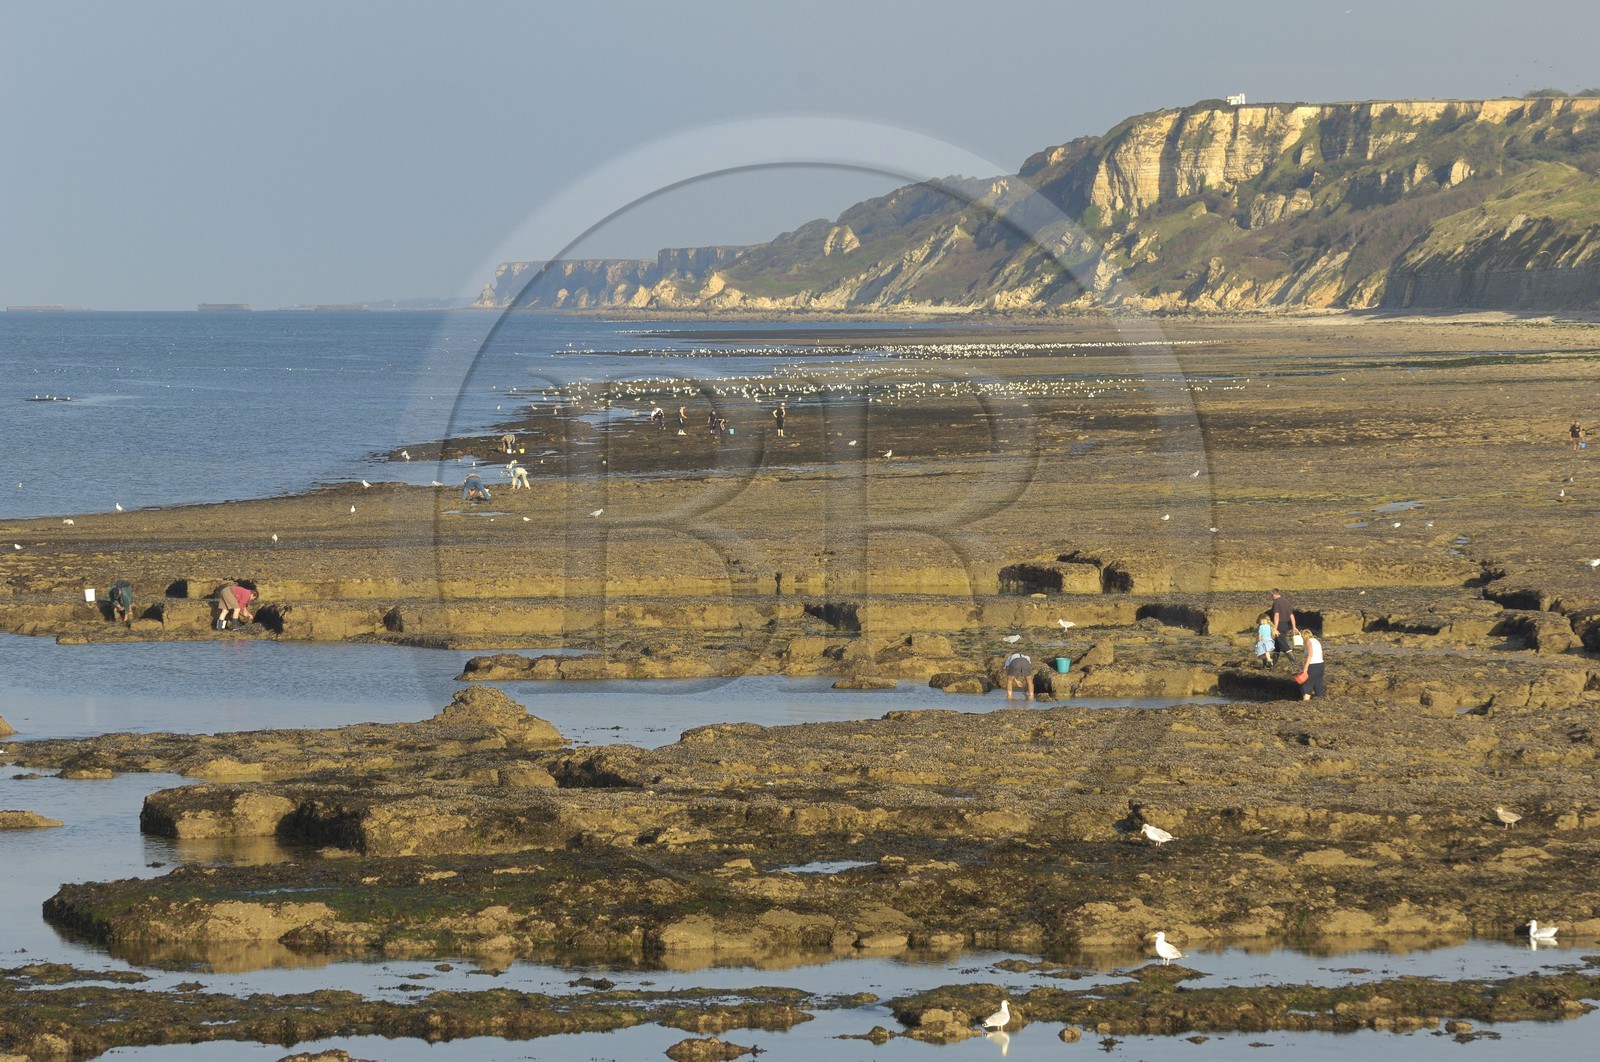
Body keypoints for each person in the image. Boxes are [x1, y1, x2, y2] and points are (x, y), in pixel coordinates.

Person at [1269, 588, 1299, 659]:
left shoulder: (1276, 602)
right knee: (1276, 645)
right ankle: (1273, 664)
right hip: (1285, 625)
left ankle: (1294, 661)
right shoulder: (1286, 601)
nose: (1271, 597)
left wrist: (1275, 629)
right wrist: (1294, 627)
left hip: (1279, 625)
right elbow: (1291, 615)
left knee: (1283, 644)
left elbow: (1276, 615)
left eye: (1271, 595)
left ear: (1274, 594)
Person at [1297, 631, 1325, 700]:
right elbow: (1321, 653)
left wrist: (1305, 668)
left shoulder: (1308, 641)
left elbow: (1310, 655)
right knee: (1318, 685)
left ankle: (1306, 702)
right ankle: (1320, 700)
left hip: (1313, 665)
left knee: (1307, 686)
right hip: (1321, 664)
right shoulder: (1316, 641)